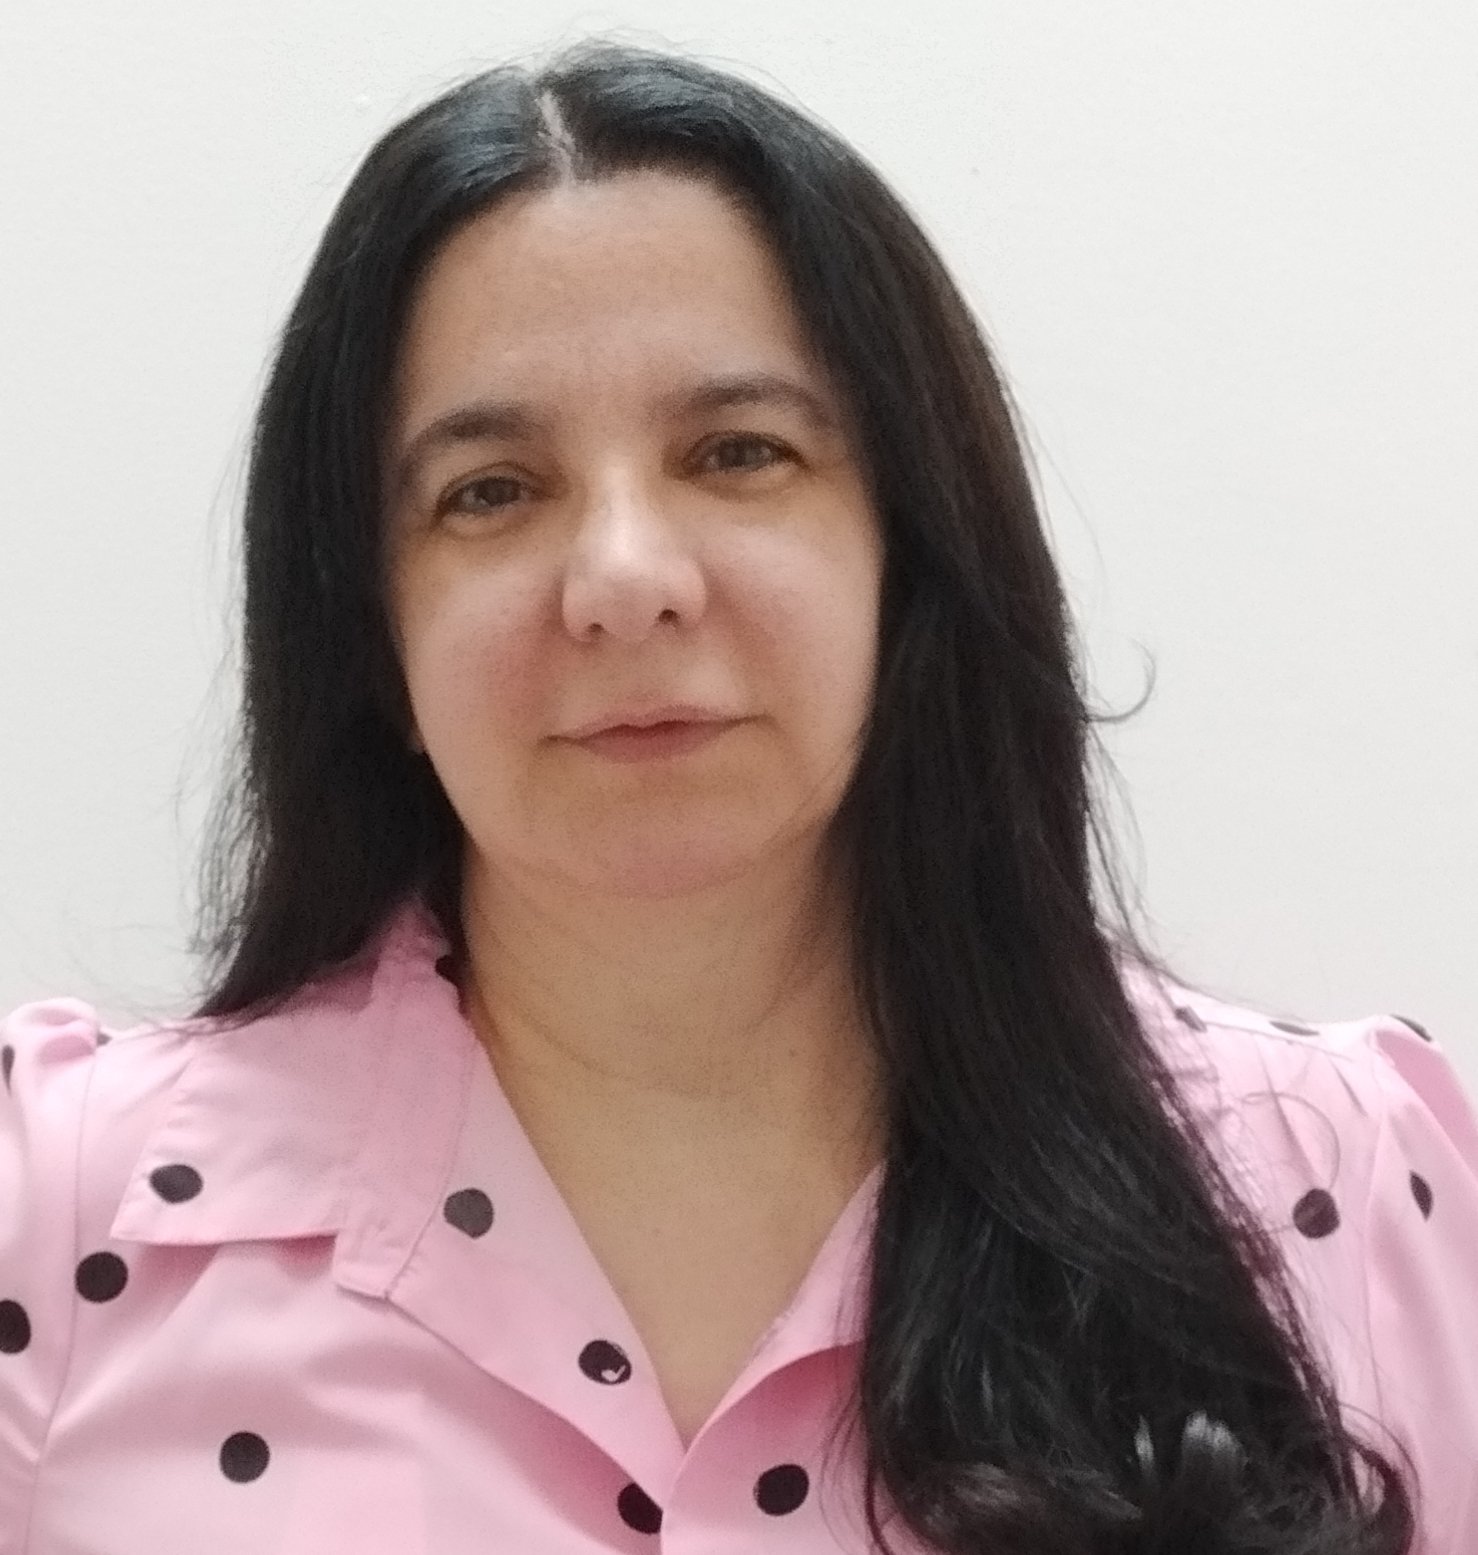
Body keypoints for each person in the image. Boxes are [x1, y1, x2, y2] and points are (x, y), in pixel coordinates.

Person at [2, 36, 1475, 1555]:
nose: (623, 577)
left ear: (907, 552)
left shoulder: (1339, 1182)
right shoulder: (58, 1216)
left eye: (737, 452)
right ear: (371, 629)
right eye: (490, 490)